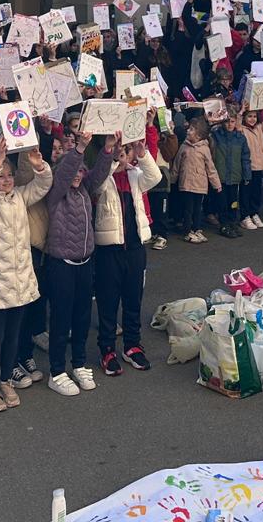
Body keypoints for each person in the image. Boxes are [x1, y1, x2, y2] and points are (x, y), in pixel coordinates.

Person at [0, 134, 52, 413]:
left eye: (8, 176)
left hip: (20, 280)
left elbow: (43, 184)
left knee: (14, 335)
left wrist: (38, 163)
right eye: (1, 176)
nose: (5, 180)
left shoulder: (20, 196)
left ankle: (6, 380)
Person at [42, 131, 111, 396]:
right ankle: (57, 371)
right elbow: (65, 171)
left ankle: (79, 363)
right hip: (61, 264)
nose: (78, 175)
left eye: (81, 171)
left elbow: (99, 174)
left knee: (82, 316)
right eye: (74, 171)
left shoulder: (84, 191)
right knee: (61, 317)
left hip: (85, 262)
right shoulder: (56, 194)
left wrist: (107, 149)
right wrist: (80, 146)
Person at [92, 133, 159, 377]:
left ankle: (132, 345)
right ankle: (107, 348)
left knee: (134, 300)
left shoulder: (135, 176)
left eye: (125, 151)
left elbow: (156, 176)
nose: (123, 155)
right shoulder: (103, 177)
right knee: (108, 301)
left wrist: (142, 153)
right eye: (118, 151)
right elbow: (95, 184)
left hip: (135, 248)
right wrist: (111, 160)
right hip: (109, 249)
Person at [171, 115, 221, 243]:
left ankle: (197, 228)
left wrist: (216, 184)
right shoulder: (184, 147)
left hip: (200, 185)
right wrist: (172, 179)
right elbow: (177, 164)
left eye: (192, 129)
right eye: (189, 128)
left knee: (197, 209)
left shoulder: (205, 149)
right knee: (188, 209)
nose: (188, 131)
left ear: (198, 136)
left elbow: (211, 168)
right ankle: (188, 231)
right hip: (186, 183)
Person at [209, 111, 250, 238]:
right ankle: (224, 224)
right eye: (227, 121)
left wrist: (247, 174)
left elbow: (245, 157)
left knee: (233, 201)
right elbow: (207, 135)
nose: (229, 124)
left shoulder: (241, 138)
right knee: (222, 201)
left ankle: (232, 222)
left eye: (232, 121)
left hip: (235, 175)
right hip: (221, 175)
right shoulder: (216, 135)